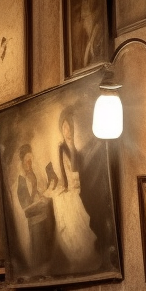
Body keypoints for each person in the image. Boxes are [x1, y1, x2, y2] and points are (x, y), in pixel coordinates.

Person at [48, 111, 99, 270]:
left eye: (69, 127)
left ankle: (86, 258)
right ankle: (76, 259)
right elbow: (63, 172)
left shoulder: (74, 148)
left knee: (82, 222)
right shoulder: (61, 147)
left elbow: (79, 169)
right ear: (61, 130)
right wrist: (68, 188)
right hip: (69, 190)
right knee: (72, 223)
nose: (67, 131)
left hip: (77, 188)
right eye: (64, 128)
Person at [13, 144, 55, 266]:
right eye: (27, 161)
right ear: (22, 161)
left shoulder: (34, 173)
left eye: (31, 160)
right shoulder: (21, 179)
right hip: (34, 220)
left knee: (48, 252)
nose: (29, 164)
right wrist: (38, 201)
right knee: (39, 255)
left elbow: (39, 189)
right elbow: (26, 205)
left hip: (44, 215)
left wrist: (43, 194)